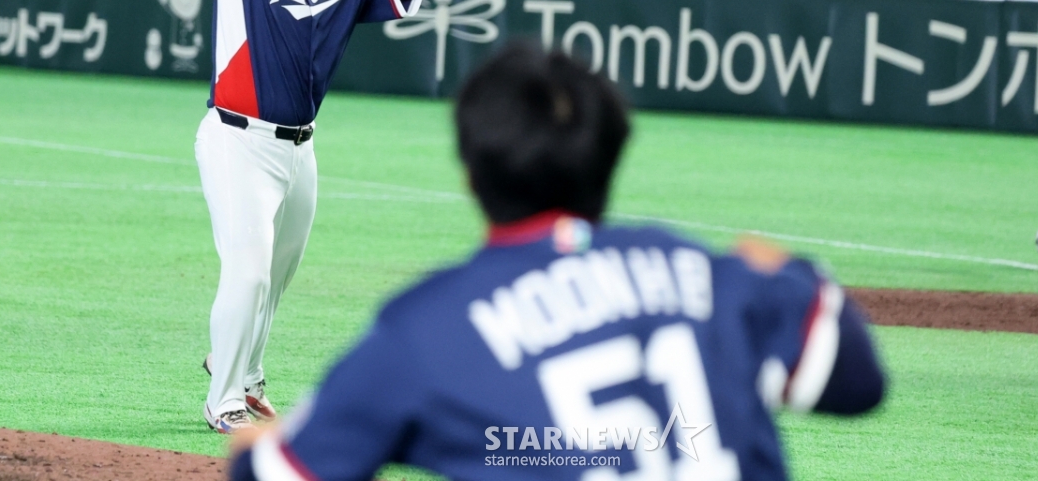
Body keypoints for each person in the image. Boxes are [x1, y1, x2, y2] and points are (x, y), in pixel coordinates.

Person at [227, 41, 885, 481]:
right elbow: (859, 382)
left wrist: (258, 447)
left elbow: (273, 472)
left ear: (471, 175)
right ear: (610, 157)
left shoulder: (425, 329)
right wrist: (784, 269)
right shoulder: (710, 274)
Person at [191, 0, 455, 434]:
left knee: (276, 277)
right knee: (248, 272)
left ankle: (244, 371)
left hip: (299, 151)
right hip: (236, 140)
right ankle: (222, 401)